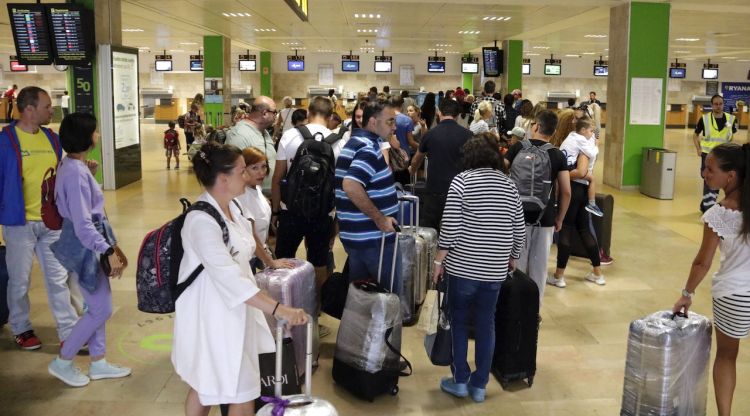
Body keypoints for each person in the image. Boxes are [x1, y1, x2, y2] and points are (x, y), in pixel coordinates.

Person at [173, 142, 307, 416]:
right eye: (242, 170)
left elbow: (249, 242)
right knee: (237, 388)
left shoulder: (231, 205)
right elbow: (229, 278)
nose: (247, 176)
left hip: (238, 309)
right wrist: (280, 310)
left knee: (209, 383)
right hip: (213, 314)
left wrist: (269, 261)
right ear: (223, 178)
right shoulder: (200, 221)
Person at [434, 133, 526, 403]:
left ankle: (460, 380)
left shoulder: (461, 182)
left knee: (459, 322)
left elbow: (450, 227)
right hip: (495, 269)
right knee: (487, 325)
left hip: (462, 268)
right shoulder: (509, 186)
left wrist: (439, 261)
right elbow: (518, 228)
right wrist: (513, 256)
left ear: (469, 157)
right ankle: (480, 386)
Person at [47, 112, 131, 387]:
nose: (97, 136)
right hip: (85, 247)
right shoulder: (74, 173)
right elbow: (84, 223)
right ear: (85, 137)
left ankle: (98, 362)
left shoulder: (76, 167)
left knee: (97, 306)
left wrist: (90, 175)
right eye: (95, 132)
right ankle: (63, 360)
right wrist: (107, 250)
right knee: (100, 309)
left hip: (88, 244)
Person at [672, 142, 750, 416]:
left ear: (731, 176)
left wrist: (686, 293)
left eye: (710, 169)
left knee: (727, 357)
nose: (704, 174)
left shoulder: (720, 214)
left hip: (734, 296)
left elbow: (702, 262)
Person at [0, 86, 78, 350]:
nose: (51, 110)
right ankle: (21, 328)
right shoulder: (6, 140)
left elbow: (60, 172)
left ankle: (69, 332)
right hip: (19, 224)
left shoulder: (51, 138)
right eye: (46, 106)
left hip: (51, 222)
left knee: (58, 278)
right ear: (29, 109)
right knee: (19, 280)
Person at [271, 96, 335, 327]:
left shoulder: (290, 135)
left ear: (308, 113)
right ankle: (313, 314)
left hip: (291, 211)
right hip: (323, 214)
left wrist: (276, 211)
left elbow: (278, 178)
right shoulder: (337, 141)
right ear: (330, 116)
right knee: (319, 262)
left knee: (283, 259)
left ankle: (280, 309)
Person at [334, 99, 401, 292]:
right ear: (373, 122)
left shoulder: (355, 143)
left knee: (362, 301)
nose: (394, 127)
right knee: (387, 302)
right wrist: (379, 219)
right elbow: (351, 185)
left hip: (359, 237)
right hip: (373, 240)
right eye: (389, 121)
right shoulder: (368, 149)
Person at [505, 110, 571, 303]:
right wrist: (560, 218)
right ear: (553, 131)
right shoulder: (557, 155)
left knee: (516, 263)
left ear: (536, 126)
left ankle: (513, 308)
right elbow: (566, 191)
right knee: (539, 267)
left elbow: (500, 170)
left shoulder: (517, 148)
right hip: (546, 217)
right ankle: (533, 313)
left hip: (517, 217)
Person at [549, 117, 606, 289]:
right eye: (591, 131)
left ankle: (559, 275)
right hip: (580, 191)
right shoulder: (581, 143)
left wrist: (562, 174)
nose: (592, 135)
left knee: (566, 229)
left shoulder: (572, 143)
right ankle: (597, 273)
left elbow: (580, 171)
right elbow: (584, 171)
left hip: (572, 190)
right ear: (582, 130)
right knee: (583, 230)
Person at [408, 98, 473, 232]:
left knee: (429, 231)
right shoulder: (469, 135)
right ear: (457, 114)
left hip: (434, 191)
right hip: (460, 193)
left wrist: (412, 171)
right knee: (458, 232)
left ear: (439, 112)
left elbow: (416, 160)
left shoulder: (430, 134)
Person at [236, 147, 294, 272]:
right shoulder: (241, 195)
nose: (261, 172)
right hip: (245, 259)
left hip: (257, 253)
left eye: (263, 166)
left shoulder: (255, 188)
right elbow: (251, 237)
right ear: (243, 169)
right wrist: (271, 262)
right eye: (254, 168)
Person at [693, 94, 738, 213]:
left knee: (719, 179)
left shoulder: (731, 119)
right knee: (708, 178)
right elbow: (695, 135)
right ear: (712, 105)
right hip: (707, 155)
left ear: (723, 104)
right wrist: (698, 148)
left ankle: (706, 205)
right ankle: (708, 208)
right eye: (716, 104)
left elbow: (731, 136)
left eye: (720, 104)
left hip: (723, 156)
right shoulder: (704, 119)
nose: (718, 106)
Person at [225, 96, 278, 192]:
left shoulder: (264, 132)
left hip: (266, 197)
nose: (276, 116)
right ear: (264, 113)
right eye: (274, 112)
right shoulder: (239, 134)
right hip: (250, 199)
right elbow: (234, 172)